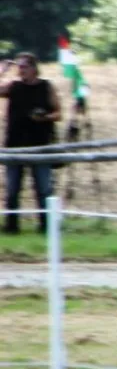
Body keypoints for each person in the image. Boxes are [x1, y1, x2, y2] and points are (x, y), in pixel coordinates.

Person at [1, 53, 61, 235]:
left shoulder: (46, 87)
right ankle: (12, 226)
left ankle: (46, 227)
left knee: (44, 189)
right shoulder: (14, 87)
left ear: (34, 68)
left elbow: (58, 113)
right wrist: (2, 71)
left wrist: (44, 117)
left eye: (24, 66)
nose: (21, 70)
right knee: (12, 190)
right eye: (19, 67)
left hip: (41, 145)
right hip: (15, 145)